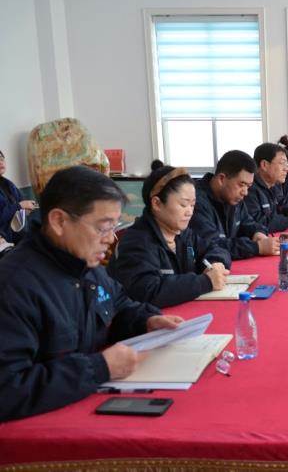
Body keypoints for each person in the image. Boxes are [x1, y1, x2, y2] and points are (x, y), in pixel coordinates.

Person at [0, 166, 183, 422]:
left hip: (86, 407)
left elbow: (118, 305)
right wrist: (99, 368)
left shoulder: (85, 265)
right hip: (42, 431)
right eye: (103, 228)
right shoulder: (14, 284)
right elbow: (8, 389)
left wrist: (146, 321)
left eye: (114, 227)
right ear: (59, 221)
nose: (111, 239)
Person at [108, 162, 232, 308]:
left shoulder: (184, 234)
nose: (190, 212)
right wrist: (205, 282)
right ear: (157, 204)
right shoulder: (137, 242)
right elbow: (148, 291)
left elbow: (216, 248)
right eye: (183, 205)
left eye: (192, 205)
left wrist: (215, 264)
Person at [190, 150, 279, 260]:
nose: (245, 192)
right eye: (242, 184)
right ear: (222, 179)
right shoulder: (195, 201)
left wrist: (257, 233)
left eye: (248, 186)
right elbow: (212, 244)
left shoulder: (233, 198)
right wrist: (257, 247)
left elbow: (249, 223)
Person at [245, 143, 288, 233]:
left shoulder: (272, 186)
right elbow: (256, 223)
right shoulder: (249, 189)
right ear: (264, 165)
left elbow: (275, 212)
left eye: (286, 165)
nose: (286, 169)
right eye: (282, 163)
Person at [0, 150, 36, 244]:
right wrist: (19, 206)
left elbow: (21, 202)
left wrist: (26, 210)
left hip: (21, 235)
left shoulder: (9, 184)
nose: (1, 162)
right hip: (6, 241)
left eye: (2, 159)